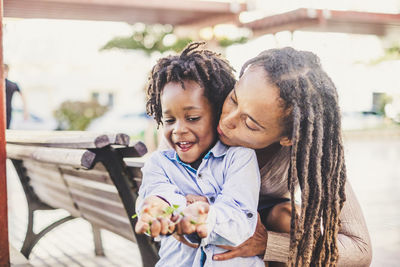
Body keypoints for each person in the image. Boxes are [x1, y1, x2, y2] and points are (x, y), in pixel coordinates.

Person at [135, 42, 266, 266]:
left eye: (192, 118)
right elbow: (157, 195)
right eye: (169, 120)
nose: (178, 129)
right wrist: (164, 208)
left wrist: (204, 215)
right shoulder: (159, 163)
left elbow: (239, 218)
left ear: (218, 114)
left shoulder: (239, 158)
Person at [4, 64, 28, 129]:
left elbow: (23, 96)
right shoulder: (12, 84)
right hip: (7, 111)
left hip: (7, 111)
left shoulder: (12, 85)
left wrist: (25, 110)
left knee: (6, 130)